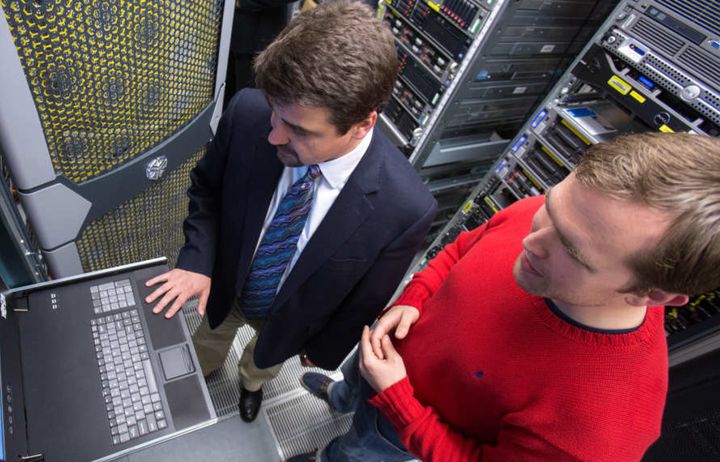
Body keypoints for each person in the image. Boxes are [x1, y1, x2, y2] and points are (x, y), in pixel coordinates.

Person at [295, 132, 720, 461]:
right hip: (386, 349)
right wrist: (415, 297)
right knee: (351, 385)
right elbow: (463, 248)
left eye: (572, 250)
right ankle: (341, 397)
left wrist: (401, 402)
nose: (531, 240)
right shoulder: (572, 218)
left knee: (355, 453)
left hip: (401, 423)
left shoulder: (600, 430)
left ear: (654, 293)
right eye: (550, 206)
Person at [145, 1, 437, 423]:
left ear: (362, 124)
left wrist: (321, 350)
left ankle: (250, 386)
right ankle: (203, 372)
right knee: (208, 339)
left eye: (299, 130)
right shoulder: (247, 112)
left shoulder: (405, 208)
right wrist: (197, 261)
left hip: (290, 319)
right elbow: (206, 190)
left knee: (262, 362)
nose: (273, 135)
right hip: (224, 284)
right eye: (275, 113)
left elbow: (365, 298)